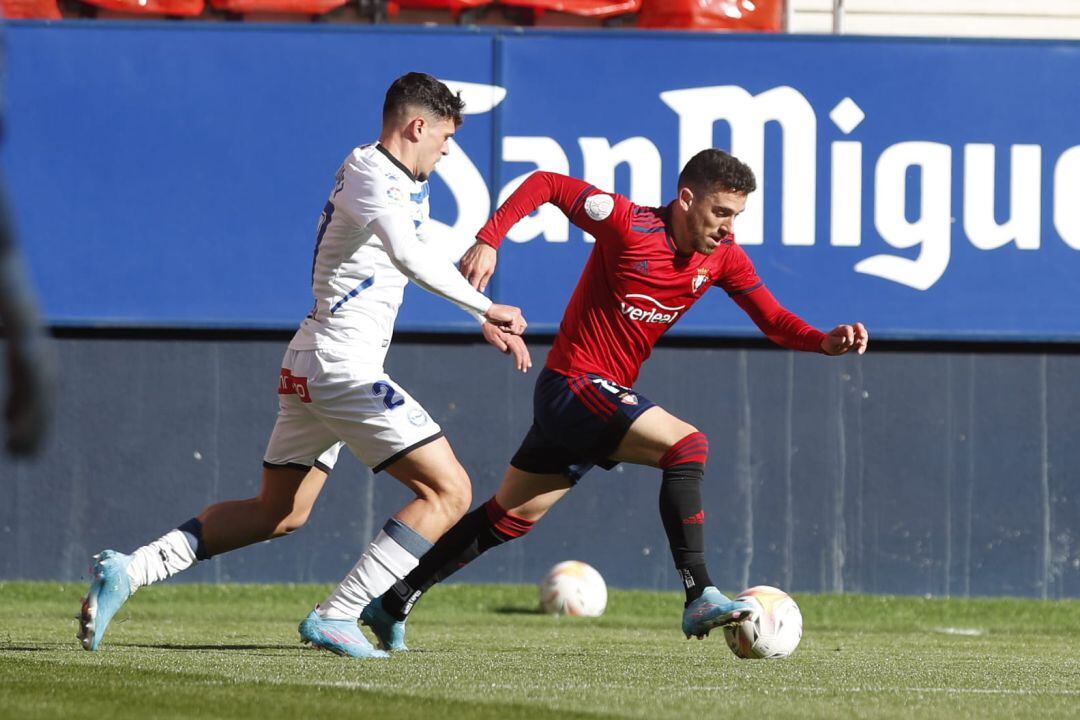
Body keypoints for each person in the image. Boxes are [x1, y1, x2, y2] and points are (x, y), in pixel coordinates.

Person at [78, 72, 530, 658]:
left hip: (313, 361)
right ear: (417, 127)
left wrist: (478, 315)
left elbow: (409, 258)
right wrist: (486, 304)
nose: (446, 153)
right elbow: (408, 254)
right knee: (450, 490)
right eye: (444, 139)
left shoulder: (395, 179)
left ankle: (129, 570)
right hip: (342, 365)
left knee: (279, 512)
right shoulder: (372, 173)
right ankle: (338, 613)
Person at [356, 149, 869, 652]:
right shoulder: (627, 222)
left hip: (592, 401)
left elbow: (774, 320)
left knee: (509, 516)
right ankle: (698, 593)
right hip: (573, 384)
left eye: (736, 215)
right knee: (687, 446)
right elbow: (548, 183)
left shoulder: (723, 258)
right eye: (720, 212)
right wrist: (490, 239)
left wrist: (823, 340)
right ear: (686, 198)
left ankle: (393, 602)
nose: (728, 226)